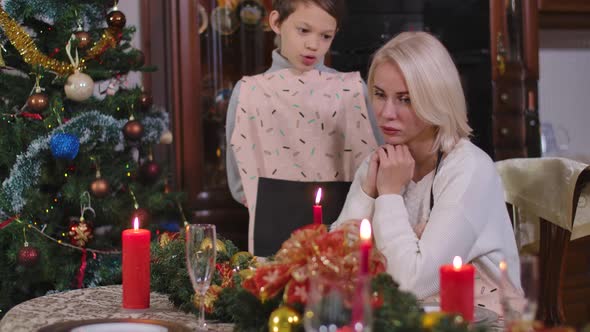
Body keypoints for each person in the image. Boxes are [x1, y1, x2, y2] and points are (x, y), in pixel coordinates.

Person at [331, 31, 521, 313]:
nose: (386, 113)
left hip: (479, 319)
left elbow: (411, 284)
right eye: (380, 95)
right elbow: (333, 262)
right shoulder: (381, 161)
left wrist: (389, 195)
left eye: (405, 99)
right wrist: (367, 193)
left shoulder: (469, 170)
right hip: (402, 317)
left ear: (436, 99)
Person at [226, 0, 382, 253]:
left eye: (326, 36)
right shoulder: (248, 92)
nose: (313, 44)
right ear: (276, 22)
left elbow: (375, 162)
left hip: (344, 225)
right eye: (303, 30)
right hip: (273, 226)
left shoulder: (352, 90)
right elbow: (237, 180)